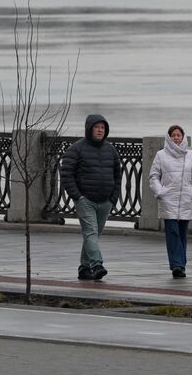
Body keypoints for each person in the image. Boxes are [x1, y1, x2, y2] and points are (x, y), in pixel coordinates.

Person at [59, 113, 121, 280]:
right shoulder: (76, 149)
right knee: (90, 233)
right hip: (85, 200)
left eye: (102, 128)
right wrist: (77, 196)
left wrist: (113, 197)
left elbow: (118, 174)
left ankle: (84, 268)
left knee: (92, 235)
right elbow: (66, 174)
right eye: (97, 127)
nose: (100, 131)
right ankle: (97, 264)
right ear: (89, 129)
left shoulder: (111, 150)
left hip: (106, 201)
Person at [148, 124, 192, 278]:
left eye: (179, 135)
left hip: (185, 199)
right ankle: (177, 265)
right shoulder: (161, 155)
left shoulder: (190, 155)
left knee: (182, 233)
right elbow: (153, 176)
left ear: (183, 137)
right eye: (174, 135)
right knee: (172, 232)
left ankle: (180, 265)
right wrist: (160, 192)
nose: (176, 138)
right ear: (169, 137)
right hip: (168, 200)